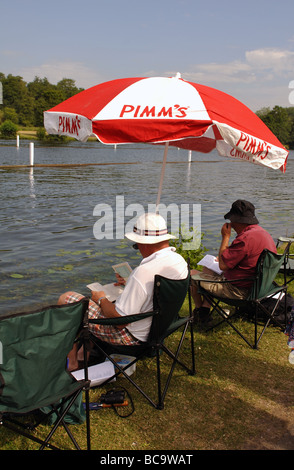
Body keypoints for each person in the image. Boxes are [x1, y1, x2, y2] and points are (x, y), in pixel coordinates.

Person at [58, 212, 188, 370]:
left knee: (68, 299)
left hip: (132, 338)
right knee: (94, 303)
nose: (137, 248)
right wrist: (130, 283)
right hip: (159, 329)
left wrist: (101, 299)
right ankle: (83, 353)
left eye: (136, 245)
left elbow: (119, 322)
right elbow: (157, 291)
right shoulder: (178, 262)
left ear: (145, 243)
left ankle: (71, 361)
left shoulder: (143, 271)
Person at [191, 200, 277, 326]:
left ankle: (200, 313)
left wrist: (225, 237)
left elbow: (223, 266)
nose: (231, 224)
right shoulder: (263, 233)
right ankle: (204, 310)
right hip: (258, 287)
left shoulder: (245, 239)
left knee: (191, 274)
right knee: (208, 269)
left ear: (238, 220)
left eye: (231, 220)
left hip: (239, 291)